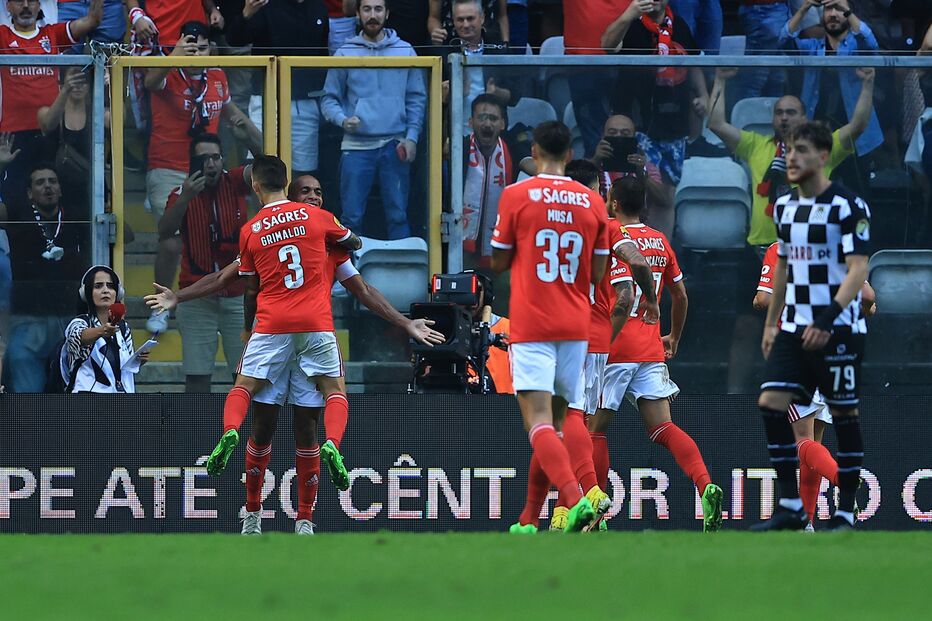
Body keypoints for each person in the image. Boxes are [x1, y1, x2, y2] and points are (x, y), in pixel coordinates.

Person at [206, 156, 365, 535]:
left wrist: (248, 329)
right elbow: (353, 241)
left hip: (272, 324)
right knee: (332, 393)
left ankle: (233, 445)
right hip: (315, 323)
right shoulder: (317, 218)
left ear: (256, 187)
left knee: (245, 392)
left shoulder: (251, 229)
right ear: (288, 185)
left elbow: (248, 286)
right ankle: (329, 459)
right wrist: (333, 236)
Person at [513, 159, 657, 532]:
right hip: (587, 335)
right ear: (598, 189)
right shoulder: (603, 225)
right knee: (569, 422)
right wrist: (653, 300)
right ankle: (568, 507)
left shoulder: (545, 221)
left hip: (542, 331)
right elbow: (632, 279)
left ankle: (575, 500)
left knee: (554, 422)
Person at [491, 121, 608, 534]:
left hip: (533, 322)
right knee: (566, 417)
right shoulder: (592, 202)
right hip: (576, 324)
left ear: (535, 152)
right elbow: (596, 271)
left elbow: (499, 261)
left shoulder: (516, 195)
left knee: (539, 422)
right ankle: (528, 519)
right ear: (571, 155)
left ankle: (576, 499)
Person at [758, 121, 871, 531]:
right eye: (788, 150)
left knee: (842, 417)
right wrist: (772, 325)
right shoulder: (786, 207)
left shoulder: (848, 206)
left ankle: (843, 506)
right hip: (796, 330)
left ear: (823, 156)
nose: (791, 157)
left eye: (800, 150)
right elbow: (785, 266)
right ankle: (793, 508)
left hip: (838, 330)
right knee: (771, 405)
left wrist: (829, 317)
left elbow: (861, 271)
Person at [597, 175, 724, 532]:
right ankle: (705, 484)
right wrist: (674, 337)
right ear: (646, 206)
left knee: (594, 430)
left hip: (615, 346)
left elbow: (620, 297)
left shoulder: (613, 237)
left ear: (614, 202)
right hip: (651, 347)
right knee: (664, 428)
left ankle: (597, 513)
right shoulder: (659, 240)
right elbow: (681, 296)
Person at [143, 21, 262, 334]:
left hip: (210, 170)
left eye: (203, 46)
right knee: (172, 239)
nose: (198, 51)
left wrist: (261, 144)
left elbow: (235, 117)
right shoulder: (168, 69)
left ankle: (214, 295)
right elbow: (150, 82)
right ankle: (161, 302)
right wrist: (176, 55)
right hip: (168, 166)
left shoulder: (218, 77)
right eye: (191, 44)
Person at [752, 240, 877, 531]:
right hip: (835, 351)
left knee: (799, 442)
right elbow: (868, 297)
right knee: (814, 442)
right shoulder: (838, 243)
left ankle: (841, 479)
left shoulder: (783, 246)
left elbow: (762, 298)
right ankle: (805, 524)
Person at [706, 66, 876, 250]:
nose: (784, 118)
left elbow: (858, 125)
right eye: (779, 113)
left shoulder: (820, 147)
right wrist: (720, 79)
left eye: (791, 113)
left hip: (806, 245)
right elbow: (716, 124)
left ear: (804, 118)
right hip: (763, 246)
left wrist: (867, 84)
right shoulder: (755, 145)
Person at [321, 0, 427, 240]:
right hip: (356, 146)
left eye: (378, 9)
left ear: (387, 13)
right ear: (358, 14)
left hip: (395, 143)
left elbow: (416, 100)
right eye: (367, 9)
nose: (372, 15)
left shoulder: (405, 50)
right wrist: (342, 120)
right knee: (351, 218)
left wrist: (411, 138)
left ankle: (402, 277)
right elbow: (328, 99)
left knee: (398, 215)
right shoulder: (345, 52)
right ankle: (349, 277)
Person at [602, 0, 709, 237]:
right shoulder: (631, 24)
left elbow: (692, 63)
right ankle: (625, 243)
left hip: (673, 126)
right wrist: (629, 13)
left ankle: (660, 253)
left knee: (665, 197)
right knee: (632, 189)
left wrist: (702, 95)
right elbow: (607, 45)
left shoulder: (679, 25)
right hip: (636, 124)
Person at [156, 133, 250, 393]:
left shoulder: (235, 182)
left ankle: (248, 432)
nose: (210, 164)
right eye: (203, 159)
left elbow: (267, 168)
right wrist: (186, 198)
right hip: (196, 296)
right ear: (192, 163)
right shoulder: (180, 193)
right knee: (197, 375)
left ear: (223, 160)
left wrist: (245, 131)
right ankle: (196, 429)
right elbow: (165, 232)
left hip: (238, 294)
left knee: (244, 376)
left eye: (215, 157)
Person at [0, 0, 102, 207]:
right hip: (13, 138)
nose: (26, 6)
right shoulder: (2, 35)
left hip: (51, 133)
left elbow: (92, 20)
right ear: (8, 7)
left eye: (31, 1)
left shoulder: (52, 34)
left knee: (55, 200)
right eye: (19, 2)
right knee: (16, 202)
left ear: (39, 6)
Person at [3, 163, 88, 392]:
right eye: (40, 182)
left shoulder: (78, 218)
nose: (47, 186)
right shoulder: (18, 216)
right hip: (29, 321)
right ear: (30, 193)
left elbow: (125, 234)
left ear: (60, 189)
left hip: (69, 320)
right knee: (27, 397)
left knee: (70, 395)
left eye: (52, 181)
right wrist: (1, 166)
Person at [226, 0, 329, 177]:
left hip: (304, 102)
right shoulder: (265, 5)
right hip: (266, 98)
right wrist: (246, 14)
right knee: (260, 167)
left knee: (303, 173)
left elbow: (322, 55)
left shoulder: (318, 7)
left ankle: (297, 206)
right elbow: (235, 40)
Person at [780, 0, 883, 159]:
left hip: (854, 133)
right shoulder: (812, 47)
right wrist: (804, 8)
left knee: (854, 183)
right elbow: (783, 42)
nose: (833, 14)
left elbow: (871, 44)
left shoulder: (857, 46)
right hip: (816, 132)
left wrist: (847, 11)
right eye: (828, 9)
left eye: (839, 8)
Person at [61, 265, 148, 393]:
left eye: (110, 286)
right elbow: (79, 337)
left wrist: (139, 361)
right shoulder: (80, 322)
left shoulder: (123, 328)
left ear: (118, 293)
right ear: (86, 292)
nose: (105, 290)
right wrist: (101, 331)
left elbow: (124, 367)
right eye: (98, 286)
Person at [439, 0, 517, 136]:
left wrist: (496, 92)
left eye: (470, 18)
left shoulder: (498, 50)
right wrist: (448, 93)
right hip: (456, 135)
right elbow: (433, 100)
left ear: (482, 18)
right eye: (460, 20)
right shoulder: (443, 52)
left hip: (493, 135)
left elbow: (516, 95)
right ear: (453, 21)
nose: (465, 24)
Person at [37, 65, 93, 210]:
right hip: (57, 188)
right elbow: (48, 124)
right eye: (73, 80)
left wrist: (108, 86)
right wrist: (65, 90)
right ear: (62, 83)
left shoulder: (97, 114)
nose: (78, 86)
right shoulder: (47, 112)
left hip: (89, 186)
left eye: (83, 81)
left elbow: (120, 119)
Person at [589, 114, 666, 209]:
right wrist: (596, 160)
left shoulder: (646, 167)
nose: (618, 137)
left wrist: (642, 175)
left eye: (625, 134)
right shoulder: (589, 165)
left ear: (634, 138)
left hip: (634, 221)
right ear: (602, 136)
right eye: (612, 133)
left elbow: (663, 201)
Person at [429, 0, 507, 45]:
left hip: (490, 36)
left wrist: (506, 44)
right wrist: (437, 34)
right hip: (450, 38)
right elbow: (434, 17)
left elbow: (502, 16)